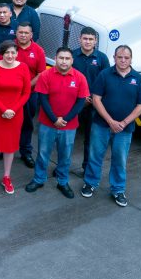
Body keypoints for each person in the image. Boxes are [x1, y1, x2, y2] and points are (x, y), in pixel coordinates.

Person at [82, 45, 141, 207]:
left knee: (120, 160)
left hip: (124, 129)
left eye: (126, 57)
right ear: (114, 58)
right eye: (120, 57)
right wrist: (110, 121)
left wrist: (123, 123)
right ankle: (90, 183)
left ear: (131, 59)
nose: (123, 60)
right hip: (101, 125)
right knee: (95, 155)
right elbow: (96, 99)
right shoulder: (105, 74)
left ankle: (118, 190)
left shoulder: (137, 78)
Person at [25, 48, 89, 198]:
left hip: (69, 126)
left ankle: (62, 181)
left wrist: (65, 119)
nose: (64, 61)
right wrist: (54, 119)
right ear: (55, 59)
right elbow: (43, 99)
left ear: (72, 60)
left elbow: (81, 102)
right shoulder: (46, 75)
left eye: (67, 58)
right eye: (61, 58)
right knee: (43, 153)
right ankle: (39, 179)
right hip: (47, 124)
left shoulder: (80, 78)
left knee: (65, 156)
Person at [0, 41, 32, 195]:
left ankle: (6, 177)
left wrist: (13, 110)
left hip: (15, 114)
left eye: (13, 52)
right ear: (1, 54)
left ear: (17, 54)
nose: (10, 56)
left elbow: (26, 93)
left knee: (10, 146)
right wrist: (4, 109)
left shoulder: (23, 67)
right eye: (7, 53)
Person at [72, 27, 111, 176]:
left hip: (94, 104)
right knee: (67, 137)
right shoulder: (72, 56)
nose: (87, 42)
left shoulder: (102, 58)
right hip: (74, 102)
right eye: (85, 38)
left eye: (90, 39)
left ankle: (86, 168)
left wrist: (93, 97)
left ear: (95, 41)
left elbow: (106, 81)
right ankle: (62, 166)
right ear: (79, 39)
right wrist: (80, 96)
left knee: (90, 138)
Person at [13, 22, 46, 168]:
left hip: (30, 94)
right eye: (20, 32)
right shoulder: (9, 47)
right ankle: (5, 149)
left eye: (26, 33)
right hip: (9, 93)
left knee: (27, 123)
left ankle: (25, 151)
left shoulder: (38, 51)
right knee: (8, 122)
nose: (23, 35)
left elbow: (41, 74)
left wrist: (25, 87)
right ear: (16, 33)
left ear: (31, 35)